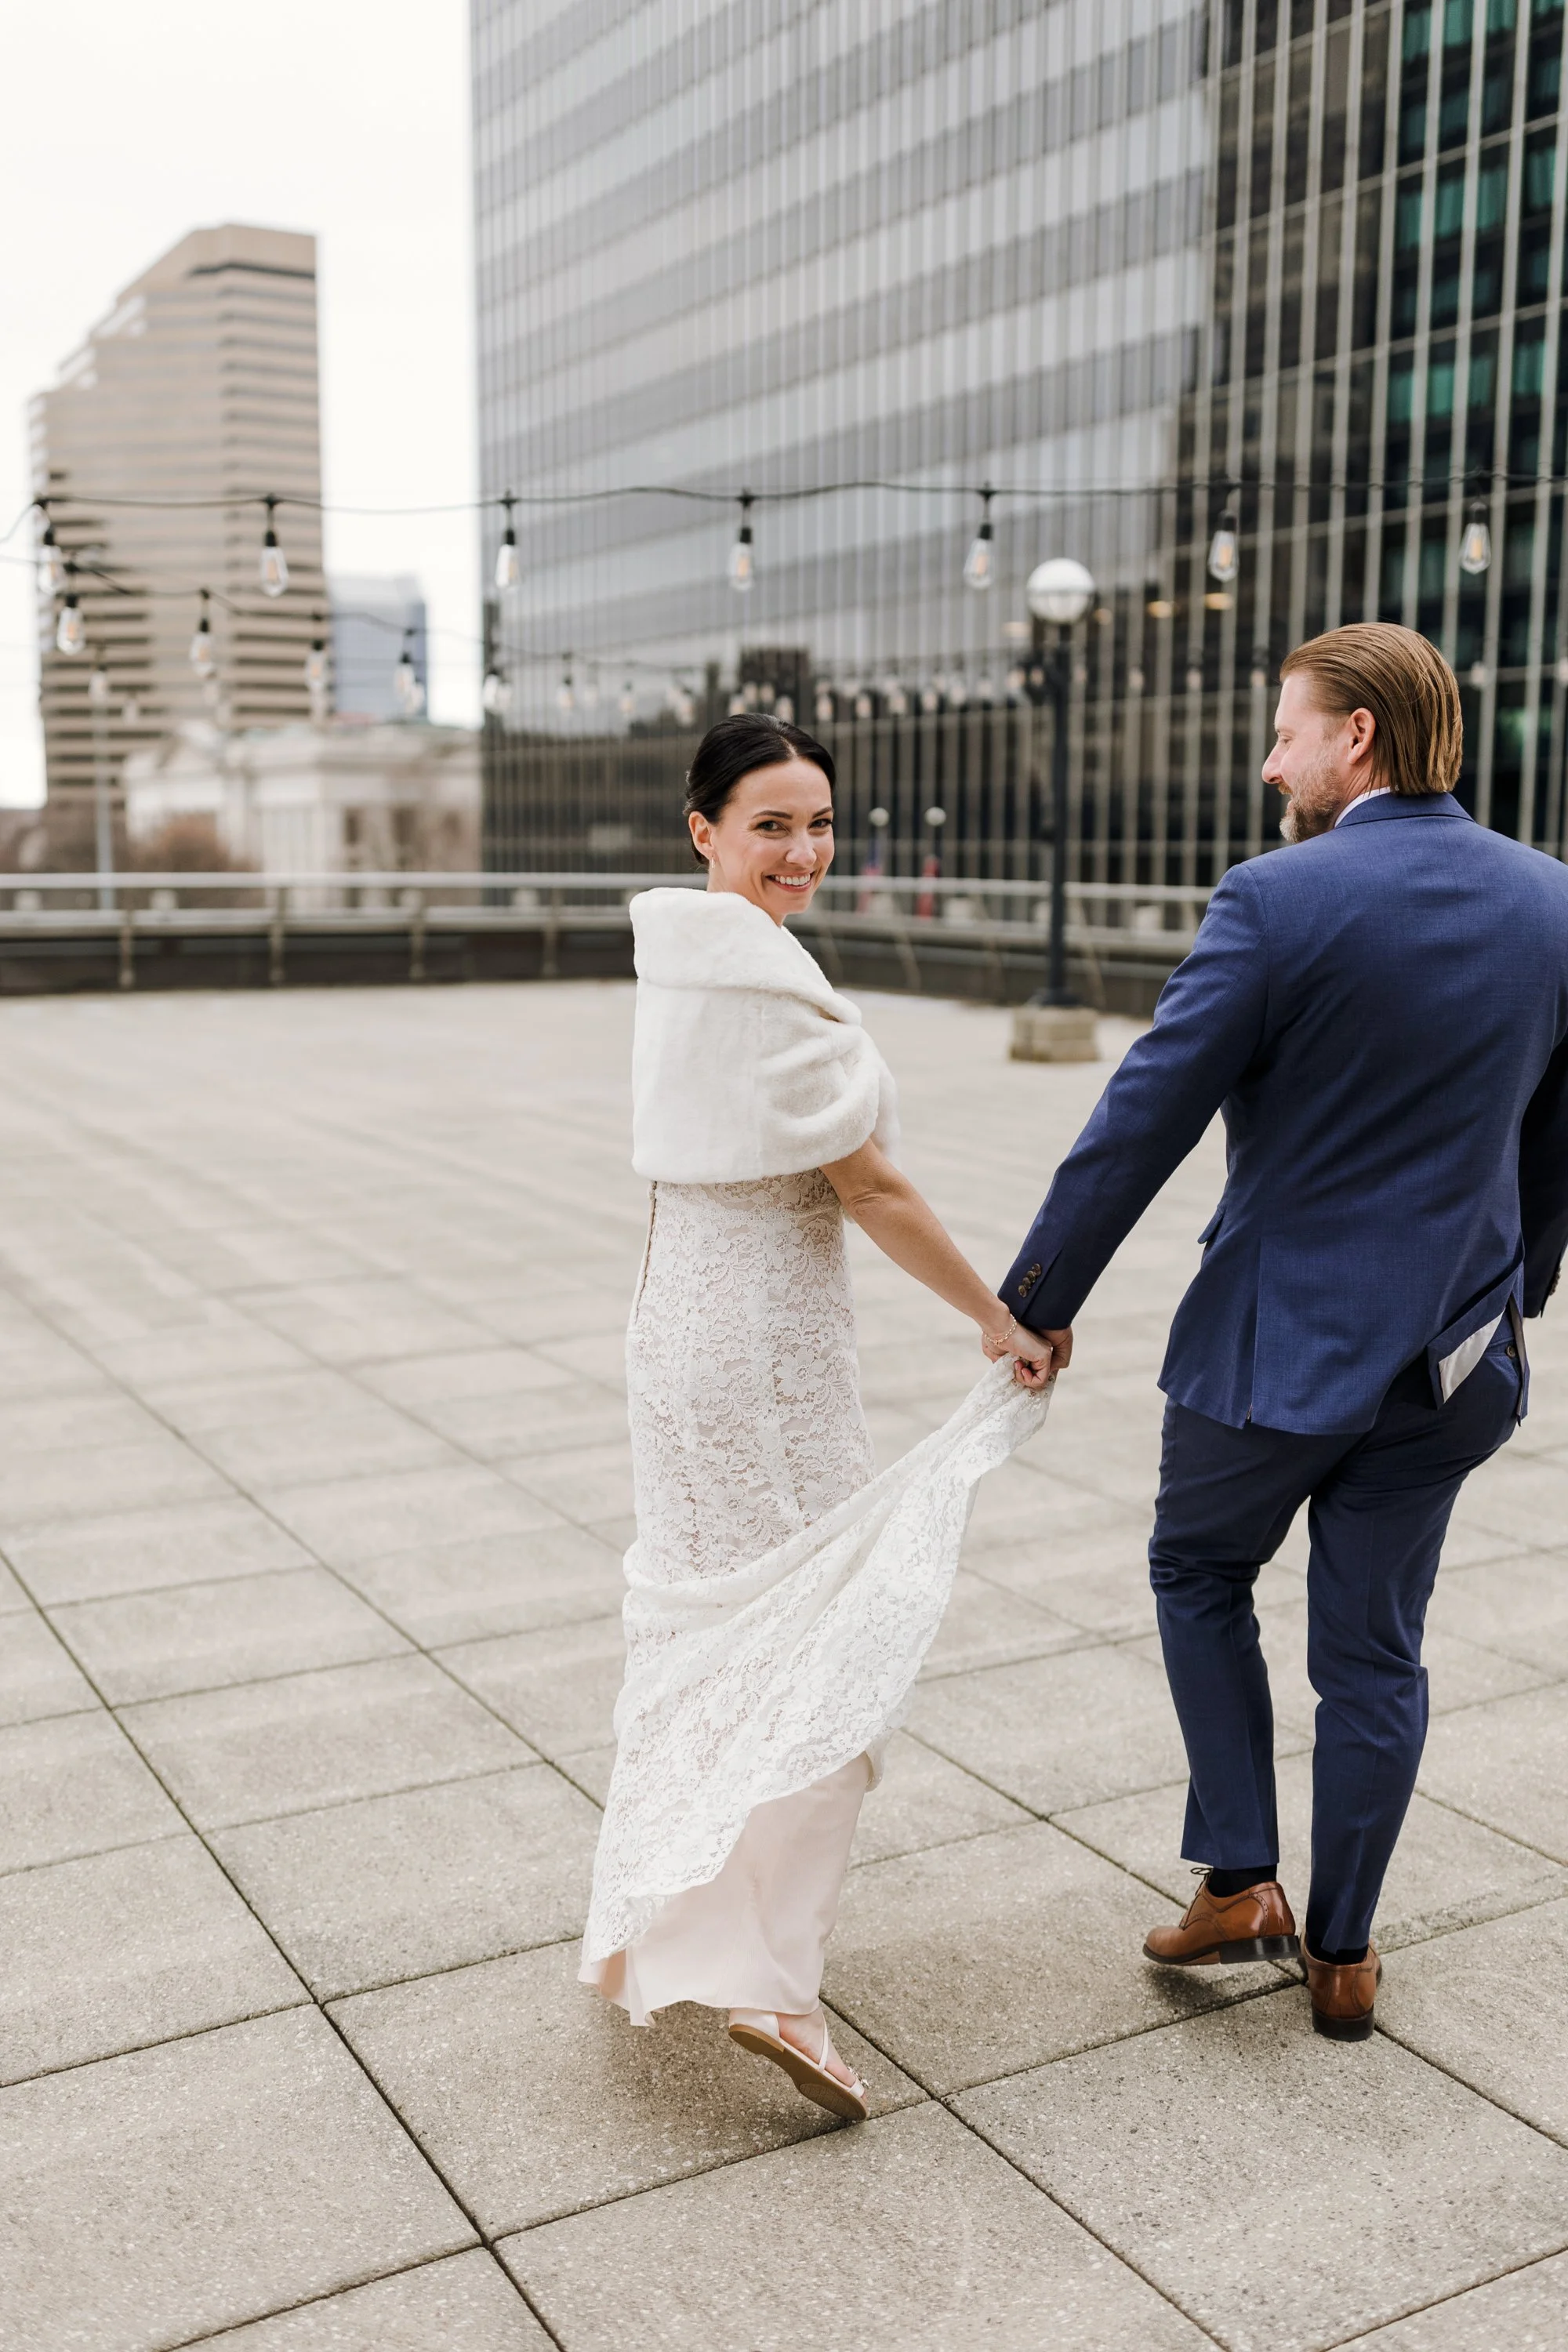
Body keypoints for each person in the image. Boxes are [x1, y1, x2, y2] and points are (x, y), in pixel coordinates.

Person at [1000, 622, 1568, 2041]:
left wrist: (1037, 1299)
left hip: (1273, 1352)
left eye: (1285, 730)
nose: (1271, 764)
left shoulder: (1275, 898)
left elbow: (1143, 1116)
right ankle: (1348, 1954)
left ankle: (1242, 1877)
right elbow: (1558, 1142)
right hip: (1451, 1362)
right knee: (1375, 1656)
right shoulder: (1554, 904)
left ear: (1355, 738)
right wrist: (1514, 1295)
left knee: (1197, 1569)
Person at [579, 712, 1058, 2118]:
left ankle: (652, 1926)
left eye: (821, 824)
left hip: (680, 1326)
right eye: (773, 823)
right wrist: (996, 1315)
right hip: (761, 1351)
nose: (802, 851)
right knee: (824, 1641)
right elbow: (876, 1190)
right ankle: (771, 1983)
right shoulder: (754, 985)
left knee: (710, 1628)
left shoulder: (686, 965)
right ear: (704, 832)